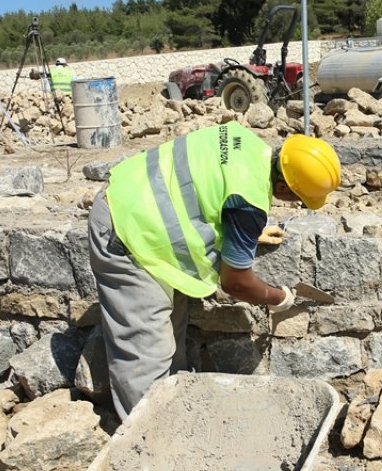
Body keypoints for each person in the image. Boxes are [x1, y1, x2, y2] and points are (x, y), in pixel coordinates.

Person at [88, 121, 341, 420]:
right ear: (284, 186)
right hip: (127, 231)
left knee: (172, 333)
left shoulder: (243, 140)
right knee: (147, 356)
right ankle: (147, 443)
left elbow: (205, 187)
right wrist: (279, 297)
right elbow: (236, 283)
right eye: (298, 198)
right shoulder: (247, 204)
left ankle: (176, 419)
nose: (295, 204)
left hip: (139, 202)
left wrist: (239, 235)